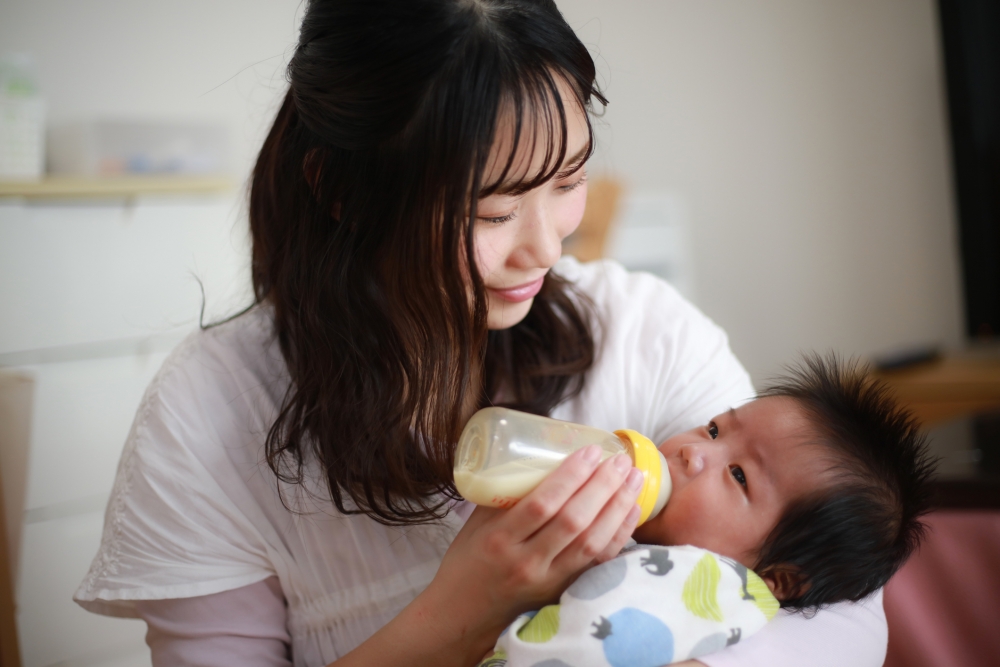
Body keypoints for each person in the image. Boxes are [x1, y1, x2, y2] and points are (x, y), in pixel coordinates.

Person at [74, 1, 891, 666]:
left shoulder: (641, 331)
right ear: (341, 188)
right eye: (490, 210)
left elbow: (842, 607)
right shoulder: (205, 417)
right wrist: (462, 611)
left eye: (569, 180)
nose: (547, 247)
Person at [482, 355, 934, 666]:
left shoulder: (711, 585)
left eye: (738, 476)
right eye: (715, 429)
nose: (693, 453)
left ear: (777, 580)